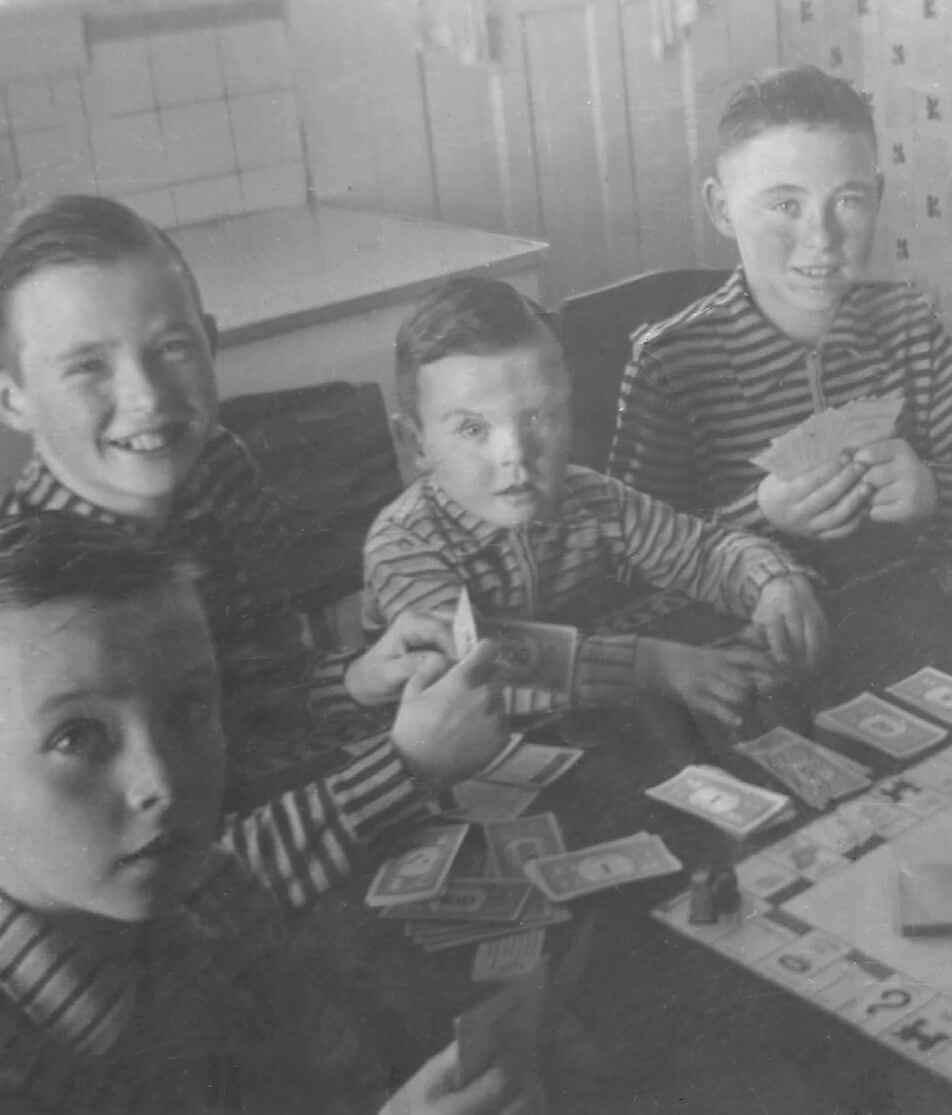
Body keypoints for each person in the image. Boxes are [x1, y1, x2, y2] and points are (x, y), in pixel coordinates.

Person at [0, 512, 534, 1114]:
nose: (163, 784)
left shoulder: (215, 889)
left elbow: (321, 1076)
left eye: (189, 708)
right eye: (75, 737)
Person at [0, 195, 458, 748]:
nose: (145, 397)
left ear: (210, 342)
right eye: (87, 367)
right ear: (12, 400)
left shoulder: (218, 463)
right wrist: (407, 769)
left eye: (171, 347)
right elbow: (183, 822)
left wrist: (356, 680)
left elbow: (262, 693)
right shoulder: (31, 604)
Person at [606, 64, 952, 582]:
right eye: (786, 204)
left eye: (848, 201)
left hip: (908, 620)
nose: (821, 238)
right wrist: (761, 516)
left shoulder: (908, 327)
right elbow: (627, 566)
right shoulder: (670, 364)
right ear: (722, 210)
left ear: (877, 197)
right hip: (760, 642)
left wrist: (934, 493)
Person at [363, 275, 828, 730]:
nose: (515, 456)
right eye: (472, 429)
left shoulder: (590, 497)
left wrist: (772, 581)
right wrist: (653, 666)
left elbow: (700, 551)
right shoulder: (403, 541)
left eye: (538, 417)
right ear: (415, 443)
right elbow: (476, 662)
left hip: (580, 723)